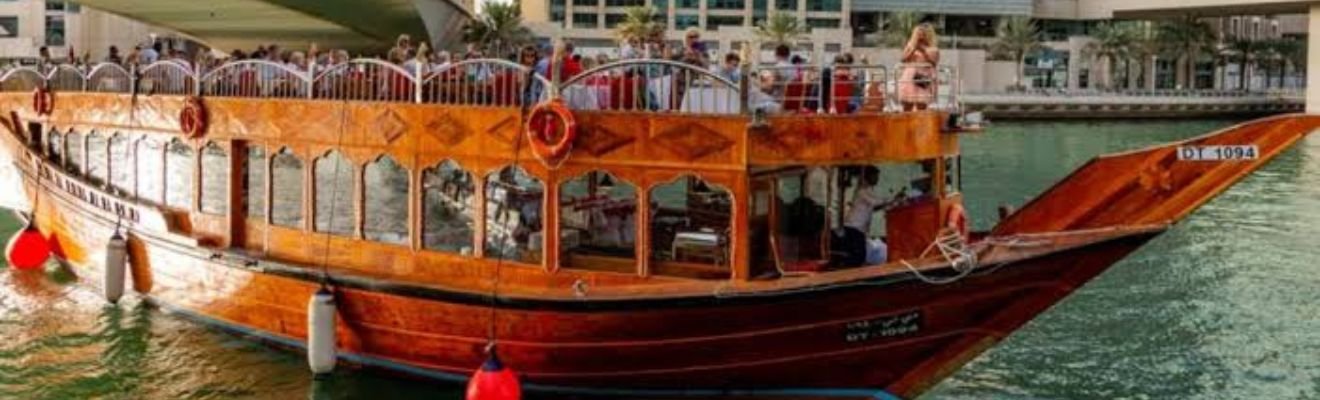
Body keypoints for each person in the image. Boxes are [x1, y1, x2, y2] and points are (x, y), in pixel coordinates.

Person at [834, 166, 897, 267]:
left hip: (858, 228)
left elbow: (874, 207)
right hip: (854, 227)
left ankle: (851, 273)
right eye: (875, 176)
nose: (877, 179)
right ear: (869, 177)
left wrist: (891, 202)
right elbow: (876, 202)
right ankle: (850, 275)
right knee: (858, 256)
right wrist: (893, 199)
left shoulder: (867, 191)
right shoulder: (863, 191)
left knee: (858, 255)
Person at [898, 23, 940, 111]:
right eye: (918, 34)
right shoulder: (910, 46)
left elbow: (934, 63)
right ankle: (906, 122)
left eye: (923, 34)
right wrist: (913, 49)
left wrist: (923, 51)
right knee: (907, 104)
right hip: (909, 77)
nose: (921, 37)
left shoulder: (933, 48)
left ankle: (920, 122)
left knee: (921, 103)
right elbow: (903, 59)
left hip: (923, 77)